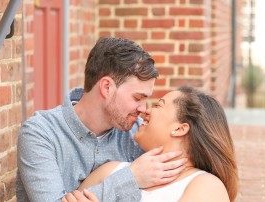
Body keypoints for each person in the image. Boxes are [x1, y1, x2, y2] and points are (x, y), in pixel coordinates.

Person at [16, 37, 187, 202]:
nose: (143, 109)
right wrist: (132, 177)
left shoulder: (138, 135)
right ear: (107, 87)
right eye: (137, 98)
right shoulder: (40, 133)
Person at [62, 85, 238, 202]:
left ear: (180, 129)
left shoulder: (205, 186)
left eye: (158, 106)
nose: (146, 111)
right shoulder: (109, 171)